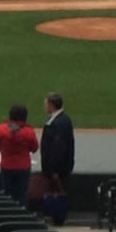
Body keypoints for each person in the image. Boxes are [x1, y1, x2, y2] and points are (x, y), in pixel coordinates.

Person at [0, 104, 39, 206]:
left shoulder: (0, 130)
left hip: (6, 166)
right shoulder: (29, 132)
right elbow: (34, 148)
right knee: (22, 194)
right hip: (23, 167)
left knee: (7, 193)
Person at [37, 92, 75, 224]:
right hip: (58, 168)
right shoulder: (60, 120)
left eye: (46, 103)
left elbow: (58, 148)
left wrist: (54, 171)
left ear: (51, 105)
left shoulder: (58, 123)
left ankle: (58, 218)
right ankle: (56, 217)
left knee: (58, 194)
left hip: (57, 169)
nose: (44, 106)